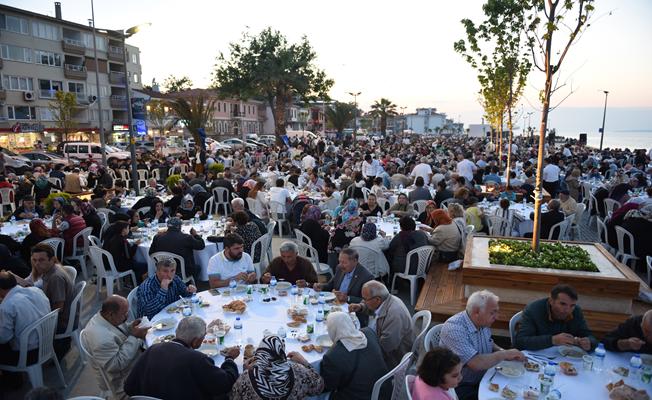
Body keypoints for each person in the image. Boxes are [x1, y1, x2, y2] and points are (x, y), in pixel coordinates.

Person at [124, 316, 239, 400]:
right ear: (195, 342)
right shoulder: (196, 359)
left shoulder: (152, 349)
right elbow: (225, 383)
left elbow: (129, 387)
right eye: (203, 337)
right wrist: (229, 359)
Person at [439, 290, 525, 400]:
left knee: (519, 390)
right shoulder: (454, 329)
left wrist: (503, 351)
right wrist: (504, 354)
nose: (496, 317)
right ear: (476, 312)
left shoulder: (482, 323)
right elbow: (476, 364)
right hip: (460, 386)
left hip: (485, 376)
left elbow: (489, 342)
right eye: (492, 312)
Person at [82, 295, 148, 398]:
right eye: (124, 314)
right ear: (111, 314)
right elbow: (115, 365)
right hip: (124, 382)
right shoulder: (101, 338)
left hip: (132, 363)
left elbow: (119, 329)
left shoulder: (105, 316)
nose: (127, 317)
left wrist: (131, 327)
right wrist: (134, 337)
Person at [231, 335, 324, 400]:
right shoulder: (299, 371)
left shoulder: (247, 377)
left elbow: (234, 396)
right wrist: (305, 362)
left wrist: (246, 371)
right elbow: (318, 387)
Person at [320, 311, 388, 400]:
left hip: (358, 396)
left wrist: (307, 365)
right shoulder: (369, 332)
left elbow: (326, 386)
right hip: (385, 390)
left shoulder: (333, 355)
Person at [0, 270, 51, 389]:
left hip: (29, 353)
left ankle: (12, 382)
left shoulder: (7, 306)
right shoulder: (36, 291)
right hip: (46, 343)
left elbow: (4, 338)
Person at [348, 281, 414, 368]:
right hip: (380, 341)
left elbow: (386, 347)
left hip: (394, 358)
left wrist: (362, 345)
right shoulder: (386, 300)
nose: (363, 301)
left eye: (365, 299)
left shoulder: (394, 315)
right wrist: (361, 307)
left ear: (377, 299)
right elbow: (372, 306)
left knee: (351, 359)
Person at [514, 284, 598, 351]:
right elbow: (520, 342)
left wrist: (589, 343)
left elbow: (590, 336)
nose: (567, 310)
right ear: (551, 301)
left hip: (565, 359)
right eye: (563, 304)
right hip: (536, 358)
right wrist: (552, 340)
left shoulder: (576, 311)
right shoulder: (533, 310)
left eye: (572, 305)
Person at [29, 244, 74, 358]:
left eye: (41, 260)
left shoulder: (55, 277)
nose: (37, 263)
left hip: (61, 322)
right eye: (34, 260)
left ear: (52, 259)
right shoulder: (49, 269)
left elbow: (59, 309)